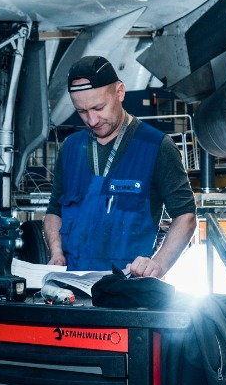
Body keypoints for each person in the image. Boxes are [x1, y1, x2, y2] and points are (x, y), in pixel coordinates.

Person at [43, 56, 196, 276]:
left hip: (127, 288)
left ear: (120, 92)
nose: (92, 120)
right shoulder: (70, 148)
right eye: (82, 112)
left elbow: (186, 216)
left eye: (99, 107)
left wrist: (158, 264)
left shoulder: (156, 147)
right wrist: (56, 251)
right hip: (73, 285)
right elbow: (54, 211)